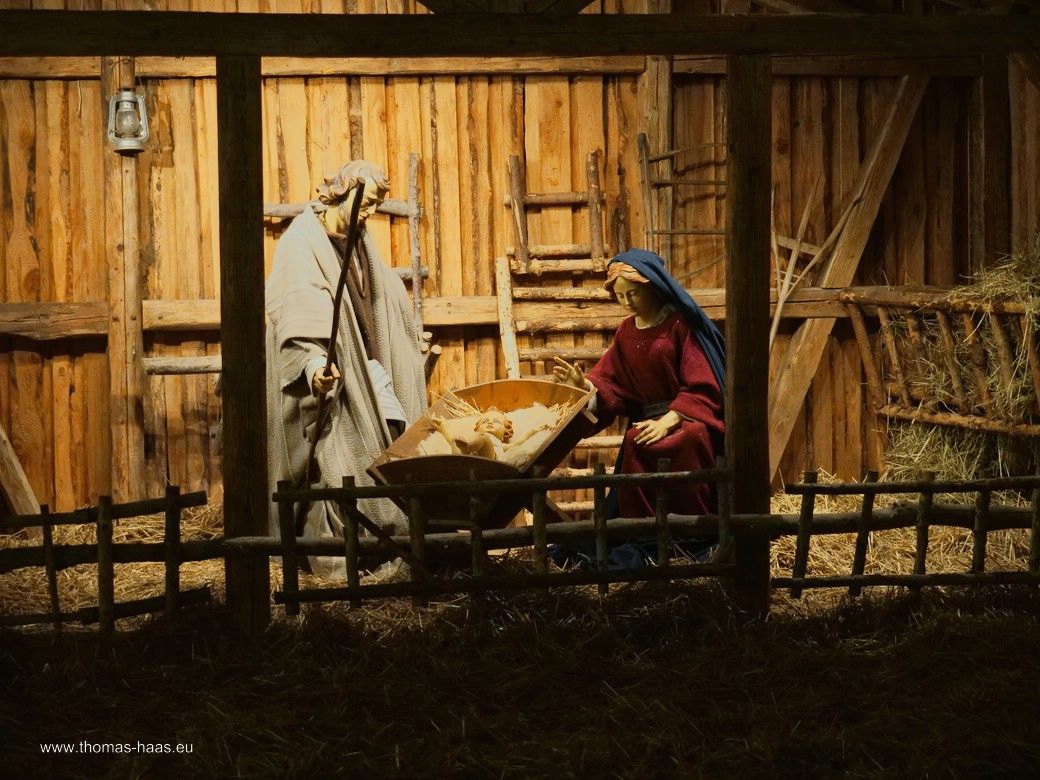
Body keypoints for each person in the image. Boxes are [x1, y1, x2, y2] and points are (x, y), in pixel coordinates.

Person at [265, 160, 427, 576]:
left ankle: (386, 542)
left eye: (375, 205)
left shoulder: (358, 239)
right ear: (342, 192)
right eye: (367, 202)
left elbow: (380, 295)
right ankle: (338, 557)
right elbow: (298, 307)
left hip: (365, 366)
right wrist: (315, 364)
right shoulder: (301, 242)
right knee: (338, 461)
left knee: (392, 436)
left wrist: (407, 339)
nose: (370, 213)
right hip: (326, 373)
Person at [551, 248, 726, 568]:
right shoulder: (626, 332)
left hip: (686, 418)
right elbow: (613, 382)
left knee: (684, 438)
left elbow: (703, 383)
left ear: (654, 288)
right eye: (620, 296)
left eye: (633, 293)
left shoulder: (680, 325)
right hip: (646, 420)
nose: (627, 302)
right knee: (636, 438)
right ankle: (643, 534)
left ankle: (691, 533)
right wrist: (584, 385)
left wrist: (671, 419)